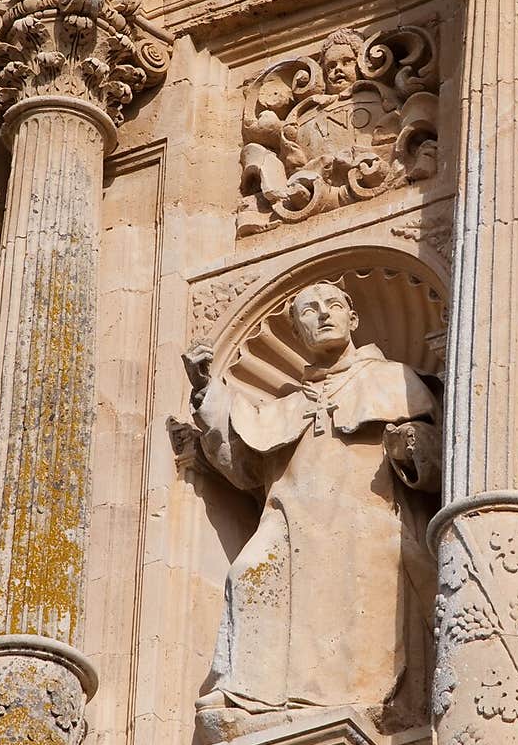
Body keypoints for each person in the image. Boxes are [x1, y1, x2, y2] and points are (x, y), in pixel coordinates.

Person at [185, 281, 440, 721]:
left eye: (334, 305)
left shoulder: (392, 380)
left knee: (365, 598)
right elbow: (242, 464)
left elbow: (438, 455)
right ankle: (252, 696)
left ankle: (367, 702)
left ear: (353, 319)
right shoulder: (286, 406)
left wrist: (411, 446)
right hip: (290, 522)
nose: (323, 314)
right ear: (297, 333)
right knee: (248, 573)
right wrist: (209, 394)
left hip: (365, 518)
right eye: (309, 310)